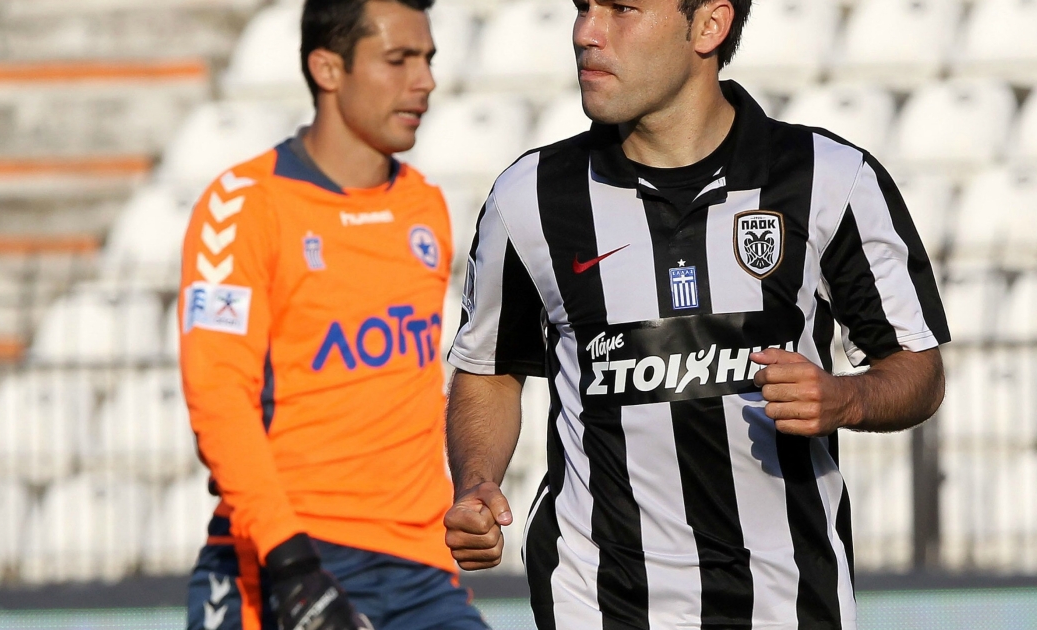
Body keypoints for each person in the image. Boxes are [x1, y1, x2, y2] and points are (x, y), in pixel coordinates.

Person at [443, 0, 949, 628]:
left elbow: (918, 369)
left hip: (788, 600)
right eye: (582, 8)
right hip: (596, 600)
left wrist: (846, 399)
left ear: (709, 25)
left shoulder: (831, 178)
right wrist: (476, 482)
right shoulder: (530, 197)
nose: (586, 33)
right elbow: (490, 367)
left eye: (621, 9)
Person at [179, 1, 486, 628]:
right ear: (327, 69)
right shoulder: (243, 206)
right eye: (398, 60)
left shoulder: (425, 204)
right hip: (288, 561)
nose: (425, 81)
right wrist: (291, 563)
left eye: (428, 60)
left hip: (419, 573)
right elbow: (219, 398)